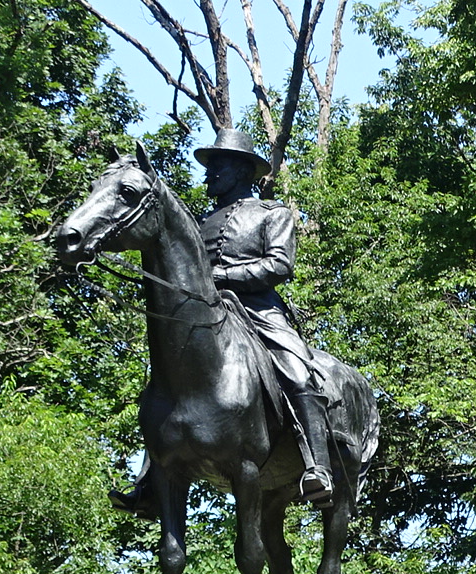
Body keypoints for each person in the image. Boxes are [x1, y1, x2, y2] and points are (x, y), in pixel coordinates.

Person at [111, 128, 335, 517]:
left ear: (242, 171)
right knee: (166, 384)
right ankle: (150, 480)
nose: (208, 173)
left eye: (218, 165)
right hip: (208, 313)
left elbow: (279, 265)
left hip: (259, 311)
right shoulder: (199, 223)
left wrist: (222, 278)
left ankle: (317, 466)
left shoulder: (272, 213)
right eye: (209, 165)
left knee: (299, 372)